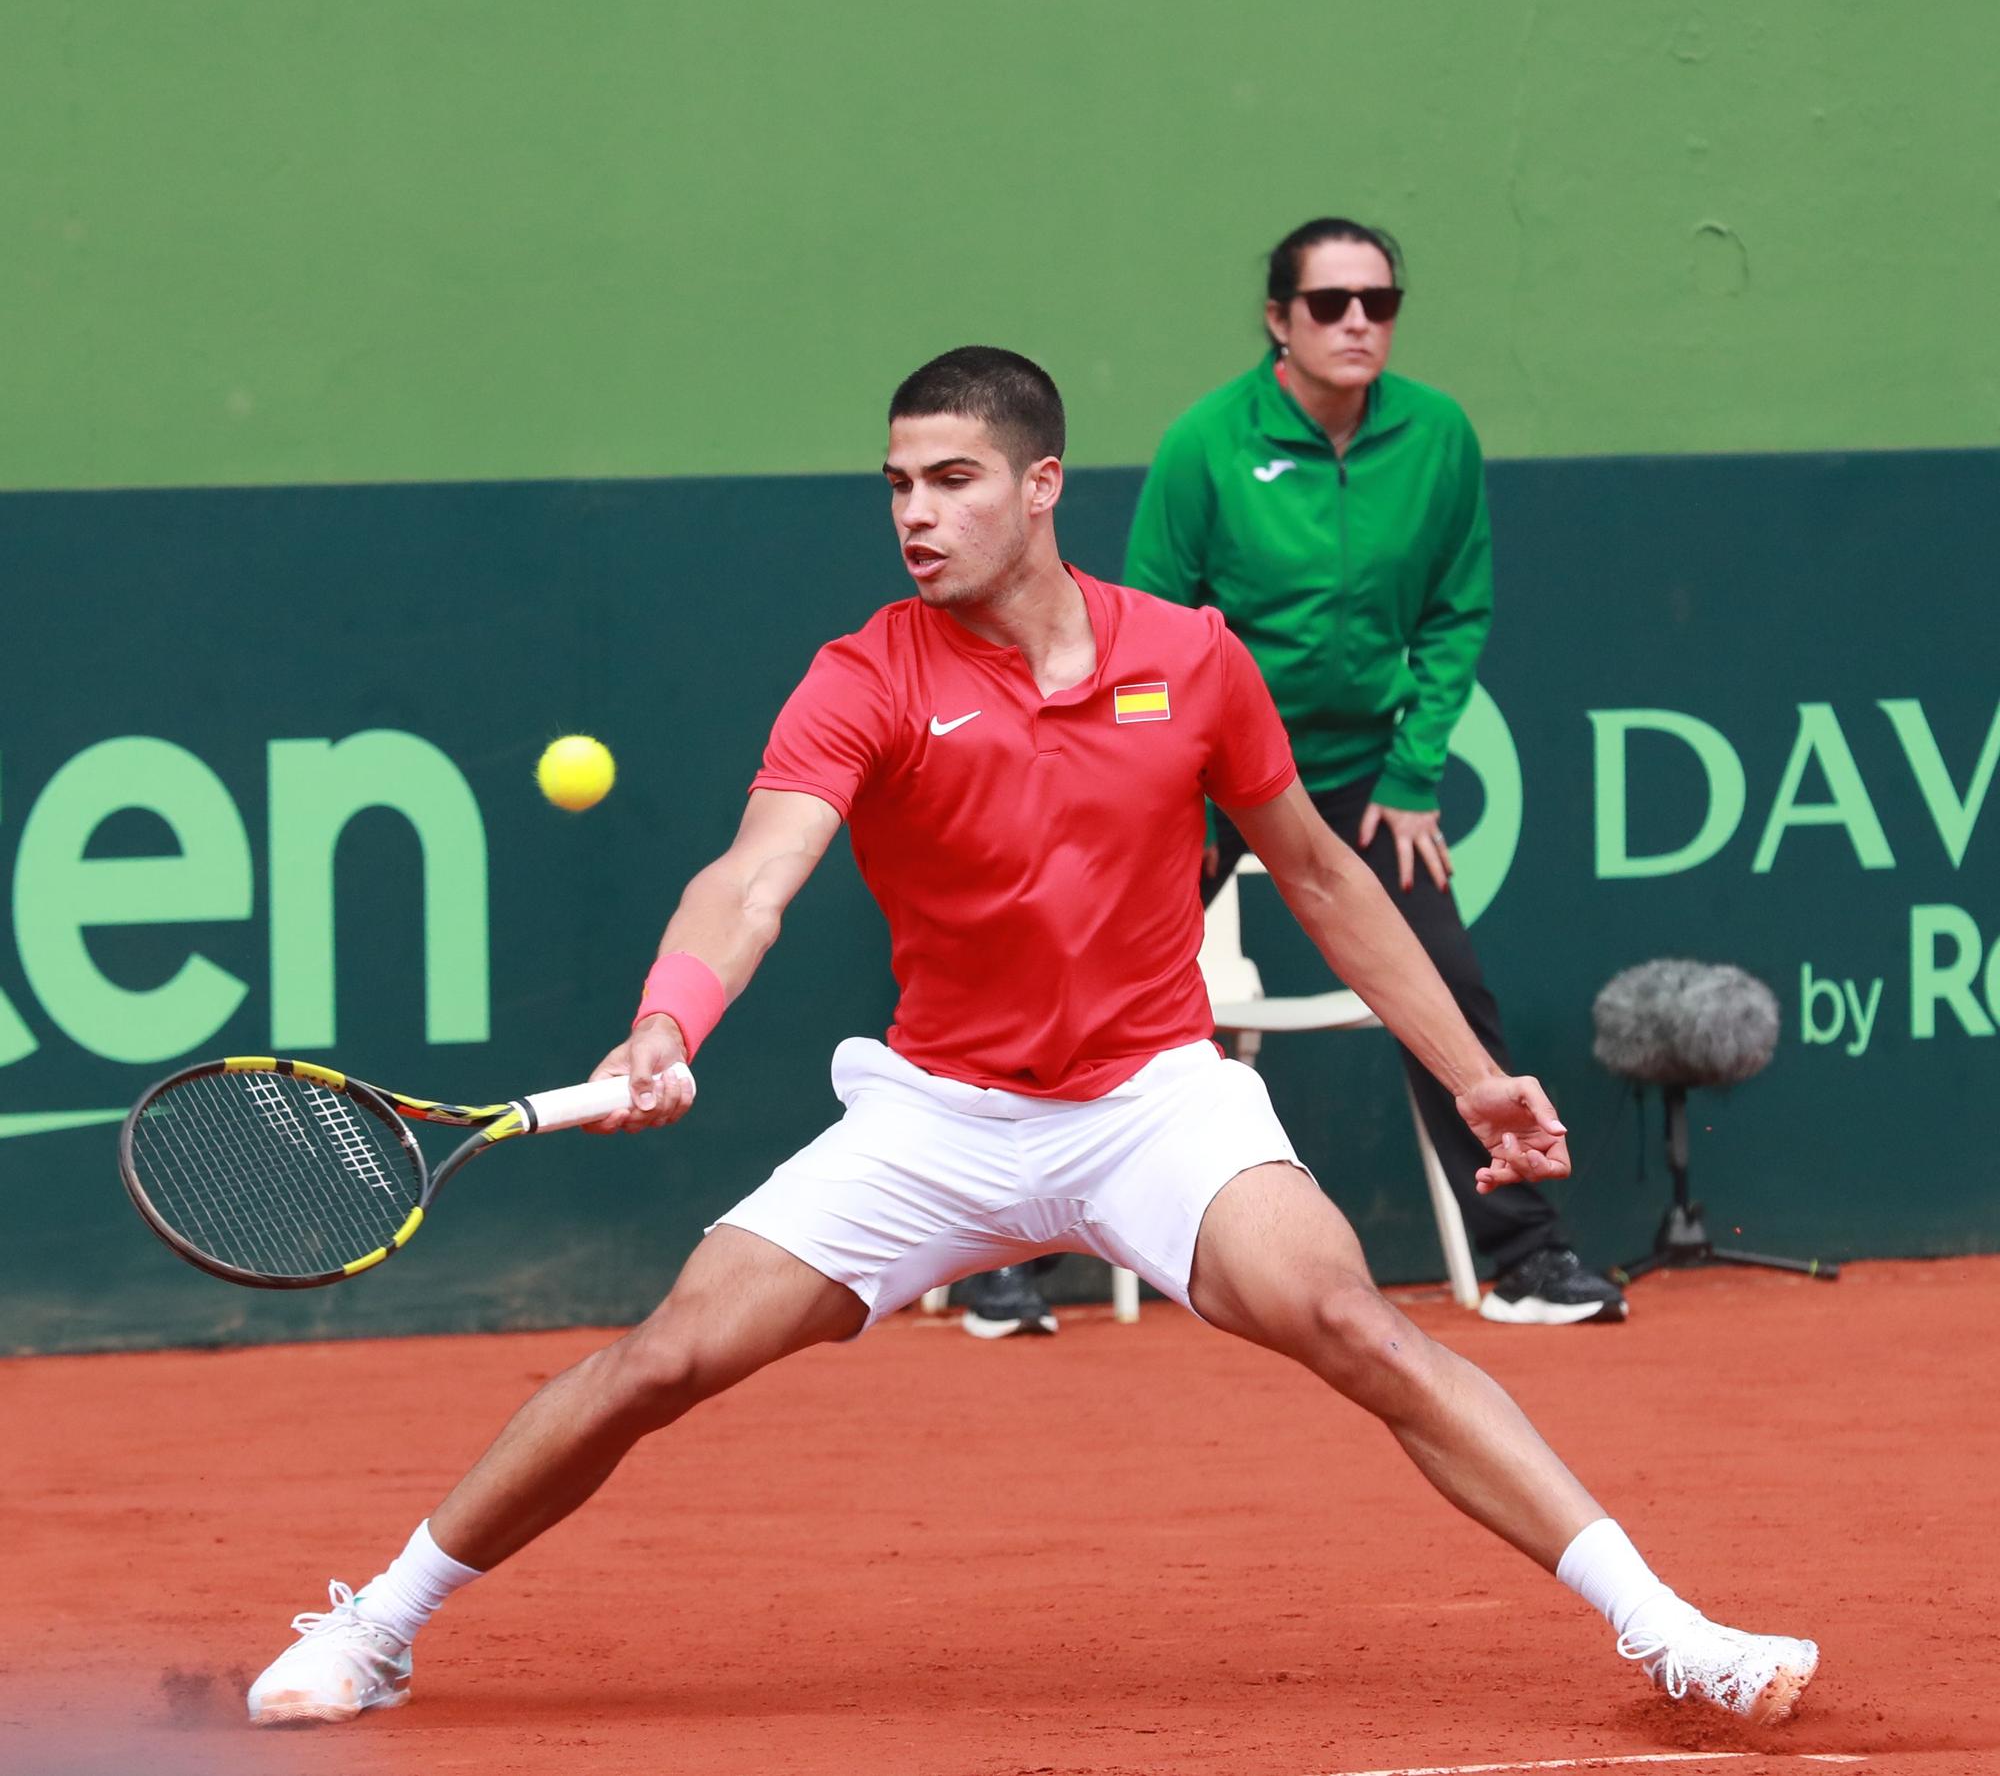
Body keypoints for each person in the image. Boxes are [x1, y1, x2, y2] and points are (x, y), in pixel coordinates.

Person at [245, 347, 1815, 1729]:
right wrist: (669, 1018)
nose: (913, 513)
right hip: (937, 1116)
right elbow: (753, 876)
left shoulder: (1191, 659)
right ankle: (378, 1623)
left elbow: (1326, 875)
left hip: (1153, 1100)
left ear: (1042, 484)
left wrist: (1474, 1074)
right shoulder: (864, 676)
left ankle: (1673, 1631)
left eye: (951, 479)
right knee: (663, 1358)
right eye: (895, 484)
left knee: (1358, 1322)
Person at [1125, 217, 1627, 1326]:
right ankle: (1001, 1262)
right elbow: (1149, 625)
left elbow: (1454, 612)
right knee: (1089, 982)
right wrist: (1176, 781)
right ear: (1277, 321)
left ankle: (1525, 1257)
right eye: (1328, 304)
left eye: (1378, 303)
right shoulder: (1203, 443)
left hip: (1358, 776)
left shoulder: (1437, 435)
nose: (1357, 322)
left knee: (1446, 988)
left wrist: (1411, 773)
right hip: (1205, 775)